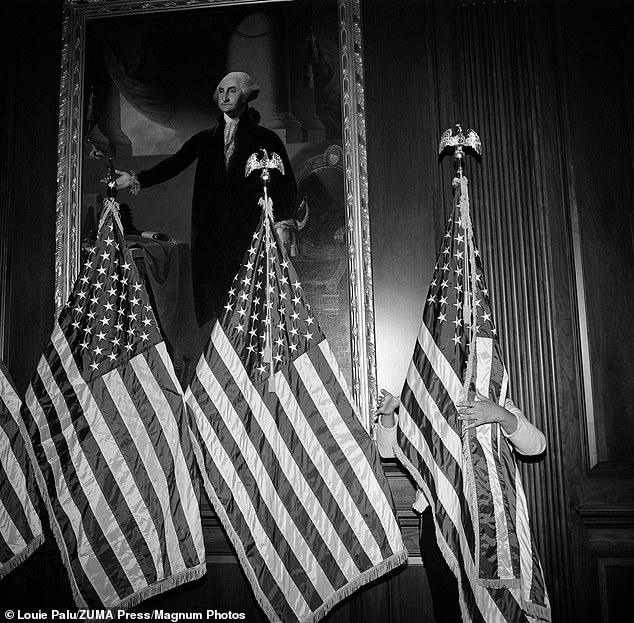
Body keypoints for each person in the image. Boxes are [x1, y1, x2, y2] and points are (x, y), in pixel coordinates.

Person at [115, 71, 297, 327]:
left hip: (251, 240)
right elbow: (174, 163)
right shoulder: (205, 139)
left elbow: (286, 185)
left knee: (252, 313)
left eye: (231, 90)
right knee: (216, 315)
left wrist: (284, 227)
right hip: (211, 244)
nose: (224, 96)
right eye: (221, 91)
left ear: (246, 95)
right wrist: (136, 180)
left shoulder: (267, 140)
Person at [375, 388, 546, 623]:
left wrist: (500, 414)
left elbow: (536, 446)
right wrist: (392, 412)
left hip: (486, 524)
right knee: (448, 607)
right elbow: (387, 450)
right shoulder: (427, 395)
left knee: (490, 606)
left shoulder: (493, 397)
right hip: (438, 524)